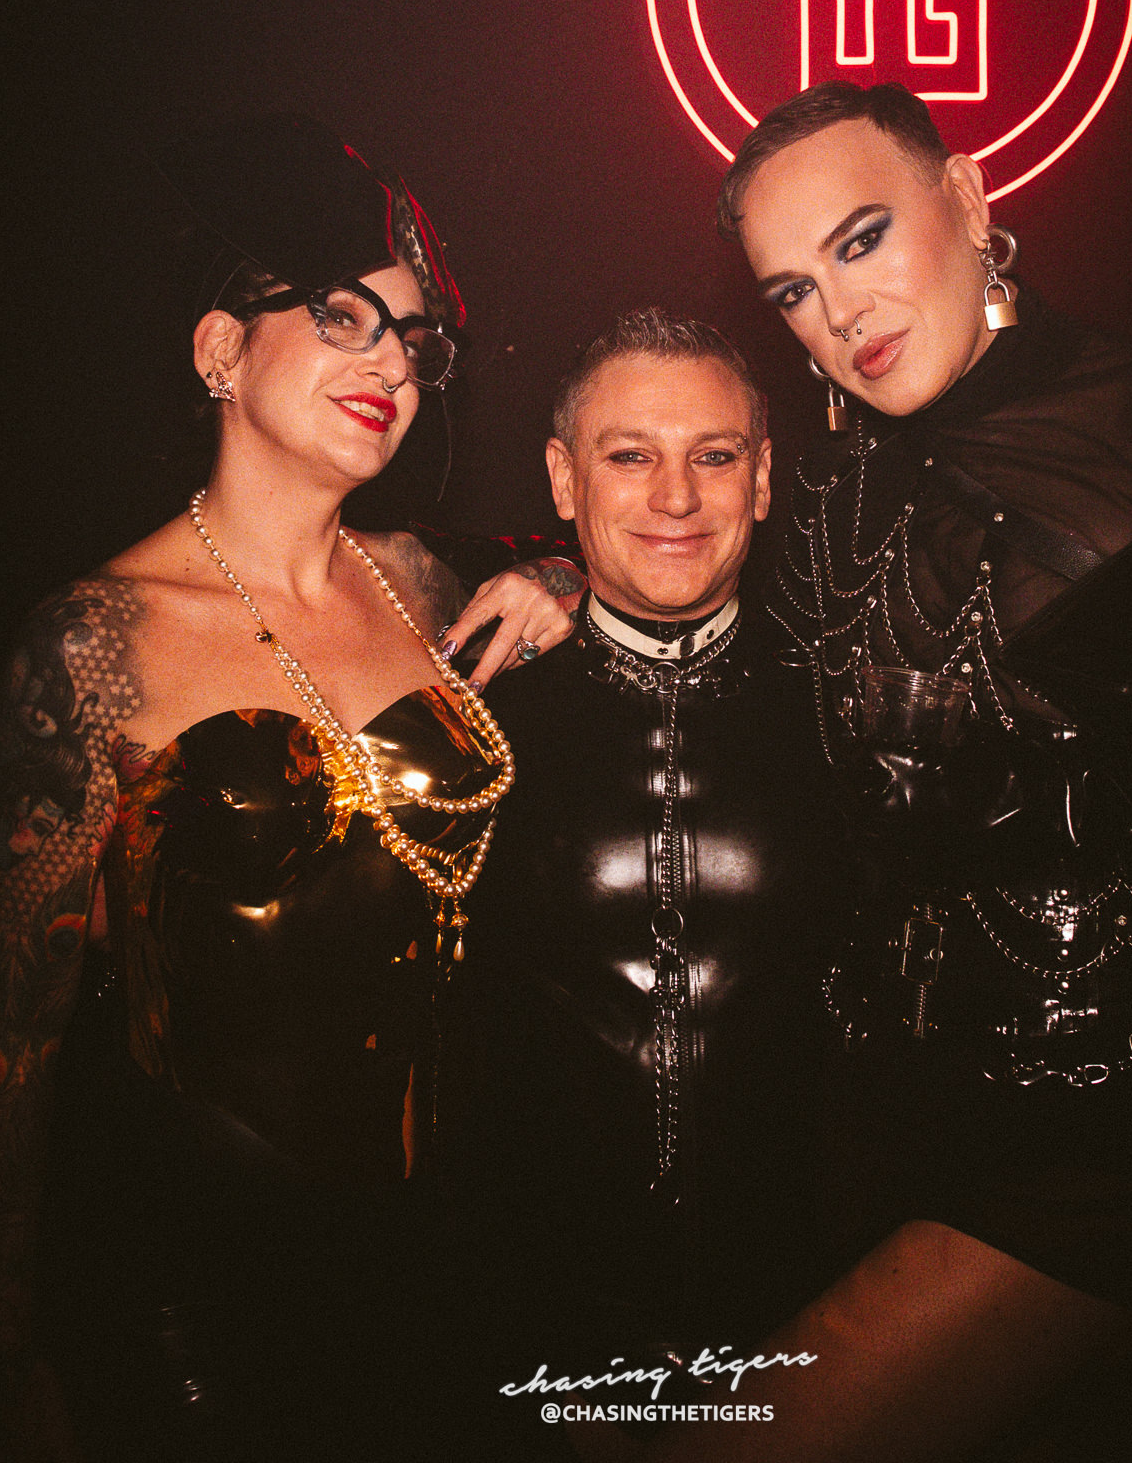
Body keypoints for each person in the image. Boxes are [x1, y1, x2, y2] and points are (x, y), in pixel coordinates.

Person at [656, 79, 1132, 1461]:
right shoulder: (828, 496)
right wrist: (552, 583)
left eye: (861, 242)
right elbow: (685, 596)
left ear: (967, 198)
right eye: (794, 292)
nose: (841, 314)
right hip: (875, 1112)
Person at [0, 115, 578, 1463]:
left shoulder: (424, 581)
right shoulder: (94, 641)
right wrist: (2, 1362)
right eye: (343, 317)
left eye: (413, 340)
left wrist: (560, 575)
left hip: (449, 1274)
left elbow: (618, 542)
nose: (393, 363)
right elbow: (6, 1049)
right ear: (219, 350)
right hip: (197, 1305)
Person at [430, 310, 846, 1453]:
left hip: (804, 1335)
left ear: (764, 478)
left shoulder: (844, 710)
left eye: (714, 454)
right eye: (630, 455)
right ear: (564, 478)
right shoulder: (471, 717)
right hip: (522, 1347)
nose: (676, 496)